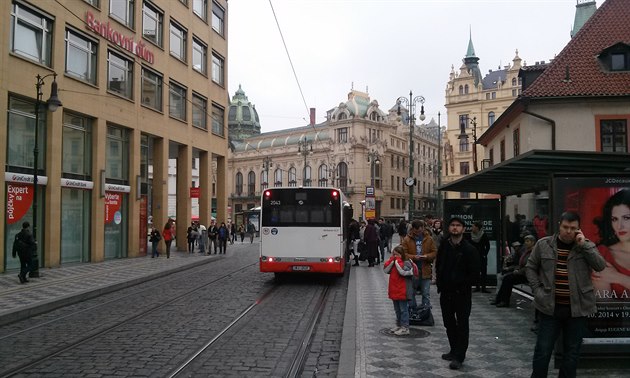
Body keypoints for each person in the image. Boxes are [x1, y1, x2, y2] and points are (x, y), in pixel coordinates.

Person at [525, 211, 605, 378]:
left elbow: (600, 265)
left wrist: (584, 245)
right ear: (559, 226)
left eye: (573, 228)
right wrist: (537, 290)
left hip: (577, 310)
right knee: (542, 351)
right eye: (565, 227)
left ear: (579, 229)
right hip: (549, 308)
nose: (568, 231)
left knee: (572, 353)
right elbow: (531, 267)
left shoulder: (585, 246)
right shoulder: (543, 244)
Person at [435, 216, 480, 370]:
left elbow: (474, 273)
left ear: (463, 229)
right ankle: (454, 350)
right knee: (449, 323)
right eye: (452, 225)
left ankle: (460, 356)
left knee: (462, 324)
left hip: (462, 294)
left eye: (458, 225)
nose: (455, 228)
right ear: (449, 228)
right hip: (446, 292)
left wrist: (463, 284)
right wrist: (440, 283)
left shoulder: (469, 249)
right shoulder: (444, 246)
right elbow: (439, 264)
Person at [592, 189, 630, 298]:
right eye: (614, 219)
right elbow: (604, 307)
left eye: (626, 218)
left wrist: (618, 278)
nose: (619, 226)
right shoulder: (602, 254)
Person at [492, 234, 536, 307]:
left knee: (508, 279)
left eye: (528, 241)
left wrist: (518, 271)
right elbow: (520, 264)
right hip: (522, 272)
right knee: (506, 278)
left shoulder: (533, 252)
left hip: (528, 274)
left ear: (533, 242)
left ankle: (504, 301)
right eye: (525, 241)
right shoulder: (526, 251)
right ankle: (500, 299)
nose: (526, 243)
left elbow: (528, 266)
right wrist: (515, 269)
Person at [402, 220, 437, 310]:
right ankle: (413, 310)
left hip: (425, 268)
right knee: (411, 292)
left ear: (423, 228)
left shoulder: (429, 239)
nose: (418, 232)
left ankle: (425, 311)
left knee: (426, 292)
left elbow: (434, 252)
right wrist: (414, 257)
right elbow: (403, 254)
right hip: (412, 270)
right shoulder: (407, 239)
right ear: (413, 229)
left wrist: (427, 256)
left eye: (420, 230)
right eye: (416, 231)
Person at [383, 244, 414, 336]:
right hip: (394, 289)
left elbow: (403, 272)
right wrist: (392, 261)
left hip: (403, 290)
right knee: (397, 309)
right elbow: (386, 270)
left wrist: (397, 262)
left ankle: (405, 327)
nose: (395, 257)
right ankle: (399, 324)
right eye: (394, 254)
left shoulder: (406, 263)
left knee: (403, 309)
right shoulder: (393, 263)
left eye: (397, 255)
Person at [469, 221, 491, 293]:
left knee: (483, 271)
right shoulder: (470, 235)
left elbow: (487, 245)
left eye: (473, 226)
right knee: (476, 271)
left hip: (482, 255)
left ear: (477, 228)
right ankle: (477, 286)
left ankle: (484, 287)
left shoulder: (483, 235)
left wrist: (485, 254)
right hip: (474, 255)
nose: (472, 228)